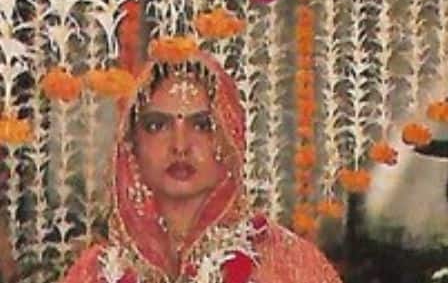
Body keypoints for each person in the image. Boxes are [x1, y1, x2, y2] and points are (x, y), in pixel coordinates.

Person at [60, 48, 342, 283]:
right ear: (131, 143)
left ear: (231, 136)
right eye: (157, 125)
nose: (180, 145)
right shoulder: (96, 273)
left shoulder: (285, 263)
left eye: (202, 125)